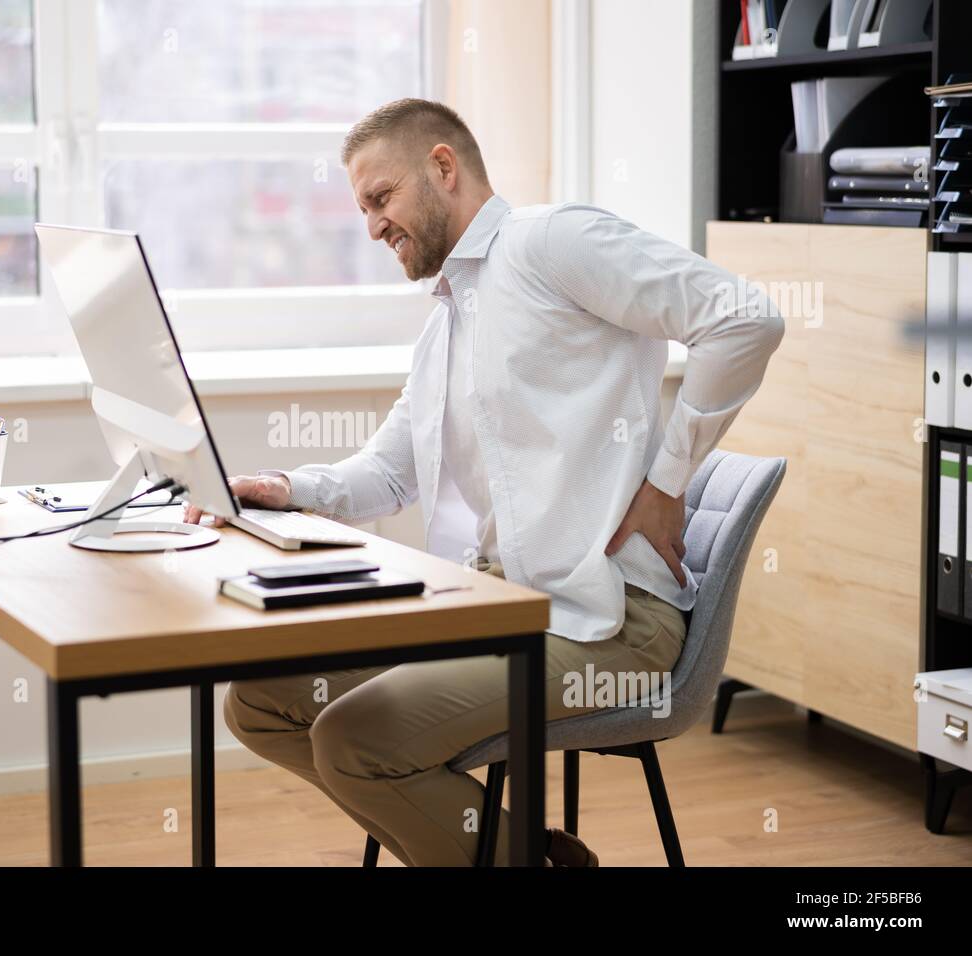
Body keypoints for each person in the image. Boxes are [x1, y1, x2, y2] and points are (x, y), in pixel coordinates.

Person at [184, 98, 783, 866]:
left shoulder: (552, 241)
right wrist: (284, 486)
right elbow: (389, 472)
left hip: (607, 624)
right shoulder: (446, 324)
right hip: (500, 611)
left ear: (443, 167)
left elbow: (745, 317)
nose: (372, 227)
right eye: (363, 208)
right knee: (261, 701)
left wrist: (668, 482)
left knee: (355, 737)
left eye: (380, 198)